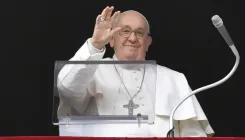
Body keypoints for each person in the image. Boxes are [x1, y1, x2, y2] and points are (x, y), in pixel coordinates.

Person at [56, 6, 214, 137]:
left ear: (148, 43)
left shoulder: (174, 79)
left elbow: (193, 134)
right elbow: (67, 89)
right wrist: (95, 44)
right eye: (125, 31)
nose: (132, 38)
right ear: (111, 39)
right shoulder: (92, 72)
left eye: (139, 33)